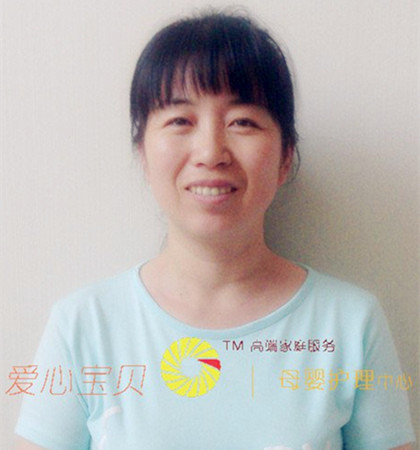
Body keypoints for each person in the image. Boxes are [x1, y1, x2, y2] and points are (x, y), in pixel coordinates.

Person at [15, 11, 415, 450]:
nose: (210, 152)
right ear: (143, 152)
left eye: (242, 121)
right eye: (180, 121)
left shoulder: (351, 325)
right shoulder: (83, 327)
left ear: (285, 156)